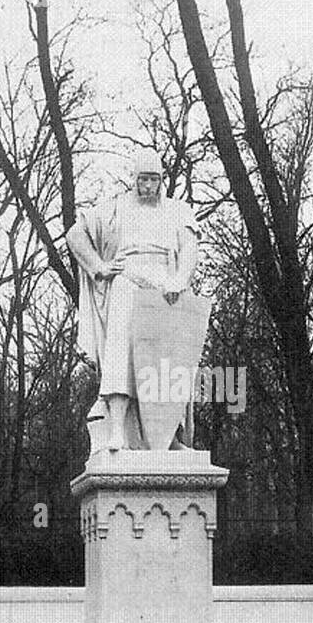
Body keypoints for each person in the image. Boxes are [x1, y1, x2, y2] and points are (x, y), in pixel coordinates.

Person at [68, 148, 201, 451]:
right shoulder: (115, 207)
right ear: (134, 179)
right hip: (126, 280)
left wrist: (180, 281)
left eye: (154, 180)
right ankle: (117, 429)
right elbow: (75, 235)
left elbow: (189, 247)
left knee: (168, 362)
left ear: (162, 180)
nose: (148, 186)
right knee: (121, 354)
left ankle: (168, 438)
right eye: (143, 180)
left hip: (166, 284)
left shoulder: (178, 210)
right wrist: (99, 267)